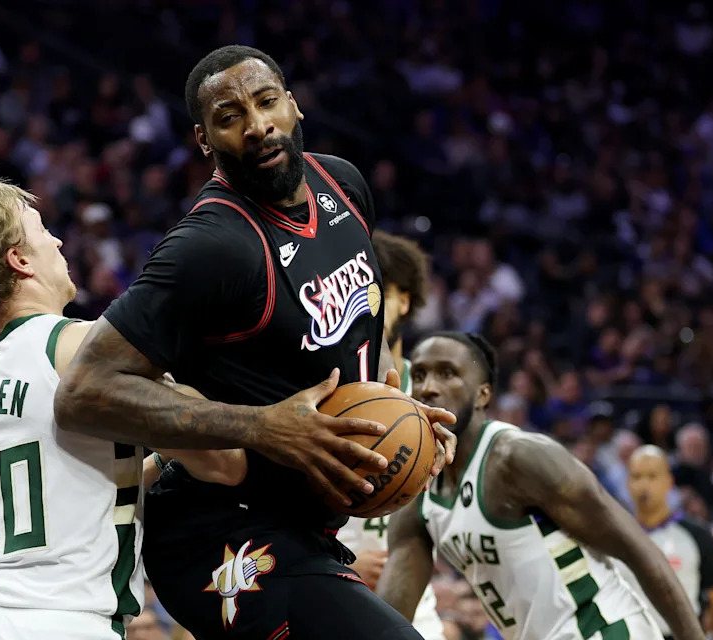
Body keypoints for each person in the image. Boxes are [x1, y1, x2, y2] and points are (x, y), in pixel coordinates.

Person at [54, 45, 457, 640]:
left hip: (306, 526)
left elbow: (360, 334)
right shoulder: (211, 246)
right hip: (216, 533)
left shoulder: (342, 185)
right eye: (229, 116)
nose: (257, 124)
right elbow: (83, 392)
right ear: (205, 139)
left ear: (293, 106)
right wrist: (261, 426)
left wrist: (402, 413)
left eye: (266, 101)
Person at [0, 179, 263, 640]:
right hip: (62, 621)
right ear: (19, 260)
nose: (57, 241)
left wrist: (157, 462)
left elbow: (63, 488)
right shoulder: (81, 348)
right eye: (41, 231)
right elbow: (224, 463)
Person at [378, 332, 706, 639]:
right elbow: (392, 612)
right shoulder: (417, 487)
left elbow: (640, 552)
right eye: (419, 375)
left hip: (600, 630)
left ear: (483, 394)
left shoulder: (517, 458)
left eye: (447, 373)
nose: (428, 388)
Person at [336, 230, 444, 639]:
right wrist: (344, 561)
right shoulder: (334, 384)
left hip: (414, 595)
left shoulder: (435, 393)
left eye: (379, 286)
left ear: (404, 299)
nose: (366, 297)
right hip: (334, 577)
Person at [623, 446, 713, 639]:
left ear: (669, 482)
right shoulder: (616, 536)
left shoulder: (698, 535)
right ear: (627, 483)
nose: (644, 484)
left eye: (652, 476)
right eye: (637, 476)